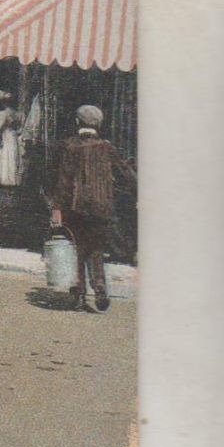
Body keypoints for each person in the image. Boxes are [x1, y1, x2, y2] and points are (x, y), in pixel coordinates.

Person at [49, 105, 136, 312]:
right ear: (99, 125)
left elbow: (63, 181)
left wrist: (56, 209)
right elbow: (127, 175)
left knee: (78, 250)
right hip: (102, 208)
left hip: (76, 208)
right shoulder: (108, 148)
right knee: (97, 248)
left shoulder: (69, 146)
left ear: (77, 123)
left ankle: (79, 295)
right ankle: (100, 289)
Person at [0, 90, 24, 187]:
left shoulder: (2, 114)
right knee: (11, 156)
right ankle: (12, 180)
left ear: (3, 102)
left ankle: (0, 179)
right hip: (13, 136)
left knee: (1, 155)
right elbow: (20, 127)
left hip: (4, 135)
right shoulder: (18, 114)